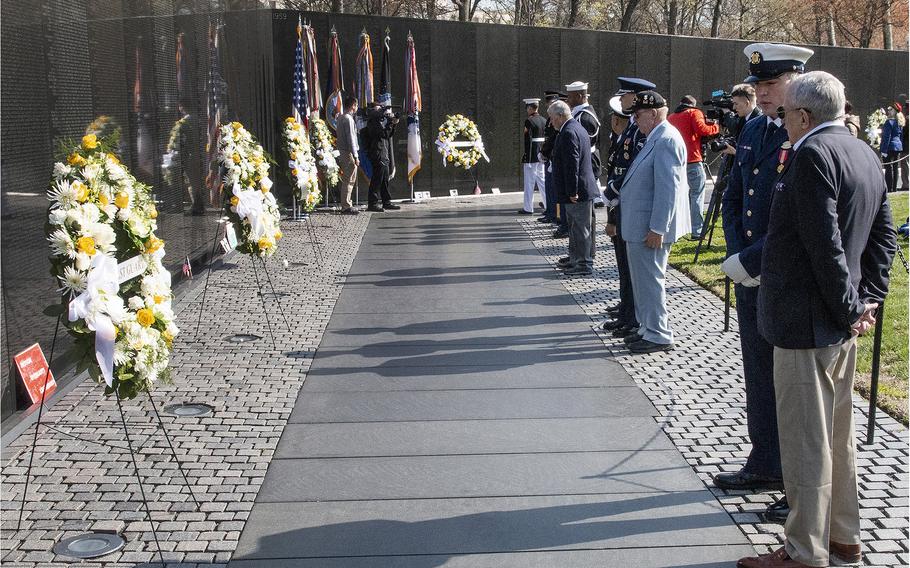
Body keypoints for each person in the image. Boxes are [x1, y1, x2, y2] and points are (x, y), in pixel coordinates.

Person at [738, 70, 897, 568]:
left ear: (804, 115)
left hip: (806, 324)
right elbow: (883, 239)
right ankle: (844, 538)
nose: (781, 121)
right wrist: (865, 302)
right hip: (837, 323)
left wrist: (853, 307)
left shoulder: (811, 155)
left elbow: (822, 247)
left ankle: (805, 551)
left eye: (785, 114)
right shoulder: (862, 152)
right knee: (838, 438)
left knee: (808, 444)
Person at [715, 44, 813, 521]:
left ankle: (797, 480)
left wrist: (753, 260)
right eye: (758, 86)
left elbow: (795, 218)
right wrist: (737, 254)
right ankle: (766, 462)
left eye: (770, 85)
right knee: (757, 371)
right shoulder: (755, 127)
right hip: (750, 271)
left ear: (796, 81)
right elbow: (735, 196)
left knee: (790, 385)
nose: (762, 93)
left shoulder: (806, 133)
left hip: (782, 276)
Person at [618, 91, 690, 354]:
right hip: (641, 227)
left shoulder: (666, 140)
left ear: (655, 113)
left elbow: (667, 190)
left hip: (651, 229)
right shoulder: (655, 137)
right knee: (643, 282)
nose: (635, 121)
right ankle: (648, 329)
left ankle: (659, 334)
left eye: (638, 115)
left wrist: (658, 228)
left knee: (651, 282)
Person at [599, 76, 655, 339]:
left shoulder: (641, 133)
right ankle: (627, 312)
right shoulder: (631, 129)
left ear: (635, 98)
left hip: (630, 205)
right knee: (623, 264)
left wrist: (612, 192)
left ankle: (633, 317)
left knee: (632, 268)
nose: (621, 101)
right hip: (622, 205)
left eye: (624, 96)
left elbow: (632, 171)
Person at [549, 100, 599, 276]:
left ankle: (583, 264)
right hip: (578, 190)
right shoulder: (574, 127)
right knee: (574, 227)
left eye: (552, 118)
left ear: (560, 116)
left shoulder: (569, 131)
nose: (551, 122)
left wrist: (572, 191)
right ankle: (575, 259)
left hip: (578, 192)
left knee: (580, 228)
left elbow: (572, 165)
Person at [667, 95, 720, 239]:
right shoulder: (694, 113)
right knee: (697, 194)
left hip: (677, 161)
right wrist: (716, 126)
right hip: (693, 159)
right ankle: (697, 230)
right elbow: (702, 130)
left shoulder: (671, 117)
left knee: (680, 195)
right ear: (693, 104)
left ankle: (678, 229)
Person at [565, 81, 604, 208]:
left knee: (586, 205)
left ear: (580, 96)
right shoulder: (579, 114)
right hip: (585, 160)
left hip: (587, 161)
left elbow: (583, 144)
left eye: (570, 97)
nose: (568, 100)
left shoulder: (585, 117)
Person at [365, 102, 401, 212]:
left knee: (385, 179)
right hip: (377, 154)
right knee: (377, 179)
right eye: (378, 110)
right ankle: (373, 203)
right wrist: (390, 123)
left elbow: (388, 135)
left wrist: (393, 123)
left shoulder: (379, 122)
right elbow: (383, 134)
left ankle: (386, 201)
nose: (381, 112)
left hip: (383, 153)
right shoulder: (372, 122)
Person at [540, 90, 566, 227]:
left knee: (554, 189)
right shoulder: (550, 120)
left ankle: (556, 215)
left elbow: (553, 139)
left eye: (551, 103)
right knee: (549, 187)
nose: (548, 106)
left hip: (553, 156)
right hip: (549, 156)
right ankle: (551, 212)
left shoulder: (558, 120)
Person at [519, 98, 547, 215]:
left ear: (530, 108)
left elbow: (528, 141)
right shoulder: (544, 120)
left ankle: (528, 207)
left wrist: (528, 158)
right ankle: (547, 204)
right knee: (542, 181)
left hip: (532, 155)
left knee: (529, 182)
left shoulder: (529, 121)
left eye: (527, 108)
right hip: (541, 153)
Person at [335, 95, 360, 214]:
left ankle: (346, 203)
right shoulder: (348, 119)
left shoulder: (340, 117)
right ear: (353, 105)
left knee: (347, 178)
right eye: (356, 105)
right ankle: (346, 205)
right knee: (349, 179)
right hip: (348, 151)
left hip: (342, 150)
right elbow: (351, 138)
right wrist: (355, 156)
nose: (357, 108)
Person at [721, 83, 762, 156]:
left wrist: (735, 152)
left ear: (747, 103)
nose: (733, 107)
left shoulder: (761, 123)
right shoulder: (741, 119)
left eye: (736, 104)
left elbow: (756, 155)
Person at [879, 102, 905, 193]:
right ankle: (894, 188)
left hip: (890, 147)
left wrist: (883, 150)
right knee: (895, 167)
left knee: (889, 168)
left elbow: (887, 137)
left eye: (891, 109)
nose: (889, 111)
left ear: (894, 111)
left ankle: (889, 188)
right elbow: (900, 136)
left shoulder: (889, 122)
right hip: (897, 147)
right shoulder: (900, 122)